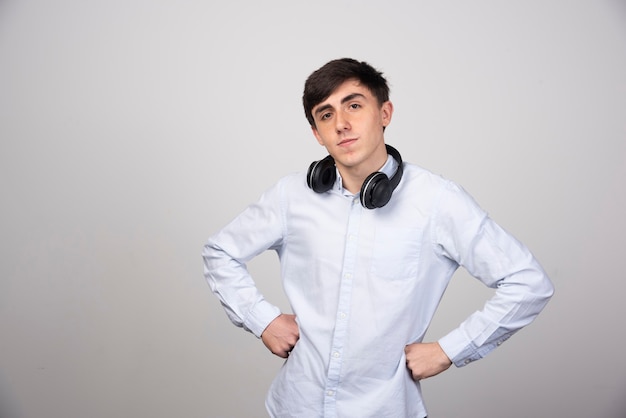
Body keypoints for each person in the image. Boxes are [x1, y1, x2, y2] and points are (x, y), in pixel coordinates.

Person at [202, 58, 554, 418]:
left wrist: (450, 350)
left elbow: (528, 283)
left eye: (354, 105)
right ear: (317, 134)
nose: (341, 124)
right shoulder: (290, 196)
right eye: (325, 115)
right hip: (295, 406)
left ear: (385, 113)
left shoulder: (436, 200)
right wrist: (262, 320)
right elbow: (220, 252)